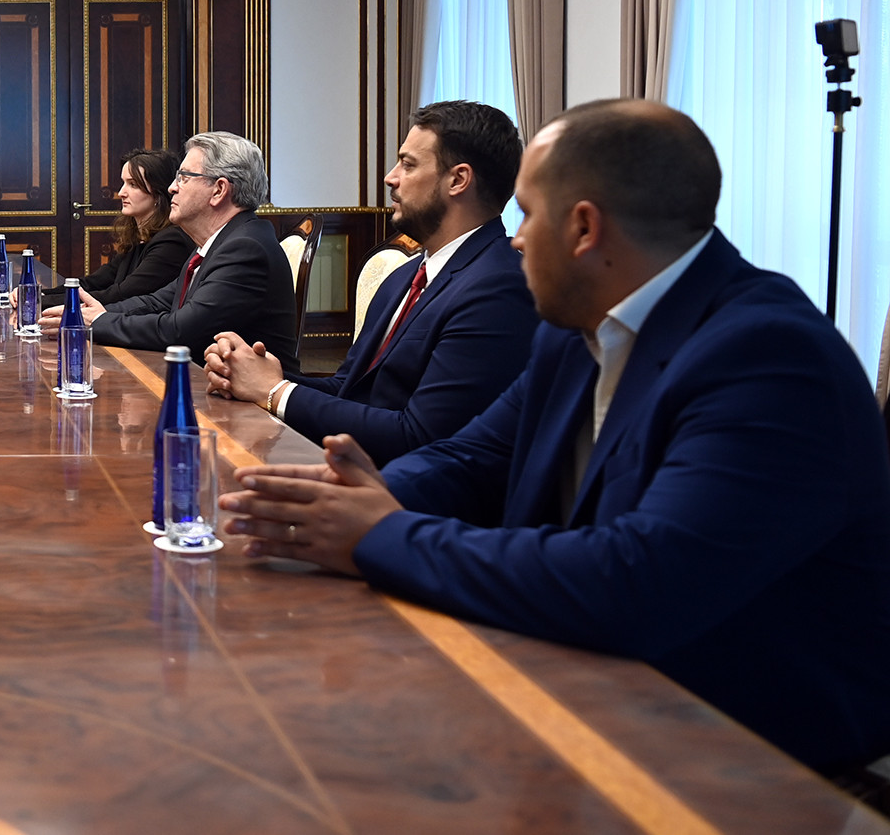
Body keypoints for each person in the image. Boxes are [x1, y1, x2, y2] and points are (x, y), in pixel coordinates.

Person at [221, 100, 890, 774]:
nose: (512, 238)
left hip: (740, 754)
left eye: (528, 214)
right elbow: (472, 457)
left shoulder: (768, 356)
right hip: (588, 684)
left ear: (583, 228)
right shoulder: (575, 329)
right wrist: (338, 503)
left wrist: (378, 533)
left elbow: (638, 582)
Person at [205, 101, 537, 464]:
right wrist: (255, 376)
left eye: (408, 164)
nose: (390, 177)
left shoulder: (498, 287)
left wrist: (275, 391)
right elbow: (346, 389)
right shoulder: (403, 278)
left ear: (458, 180)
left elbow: (421, 437)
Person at [41, 131, 298, 370]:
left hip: (255, 408)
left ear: (219, 190)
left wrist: (97, 322)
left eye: (184, 177)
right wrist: (98, 313)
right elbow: (157, 301)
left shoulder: (245, 248)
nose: (173, 187)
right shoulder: (219, 242)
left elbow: (181, 331)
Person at [40, 148, 195, 308]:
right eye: (123, 183)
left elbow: (120, 294)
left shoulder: (171, 242)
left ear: (158, 194)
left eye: (133, 185)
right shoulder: (140, 239)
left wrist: (40, 302)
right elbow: (92, 283)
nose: (121, 193)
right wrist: (39, 294)